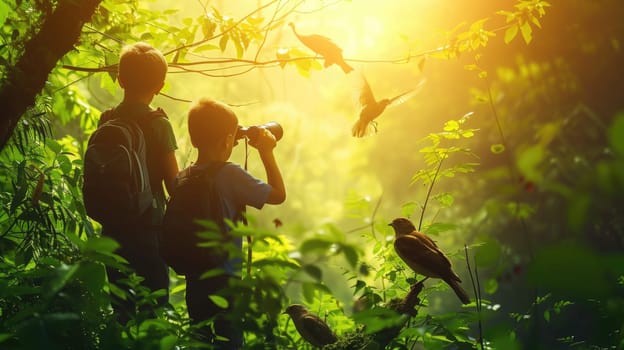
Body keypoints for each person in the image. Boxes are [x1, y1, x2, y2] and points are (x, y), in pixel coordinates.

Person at [182, 98, 286, 348]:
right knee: (229, 342)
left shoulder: (184, 175)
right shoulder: (229, 174)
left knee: (200, 341)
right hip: (226, 281)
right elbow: (278, 195)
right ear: (228, 140)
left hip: (194, 279)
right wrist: (266, 152)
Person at [99, 42, 178, 323]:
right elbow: (174, 186)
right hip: (149, 229)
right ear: (161, 85)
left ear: (120, 80)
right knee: (152, 312)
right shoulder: (159, 124)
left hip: (112, 230)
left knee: (122, 312)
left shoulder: (107, 119)